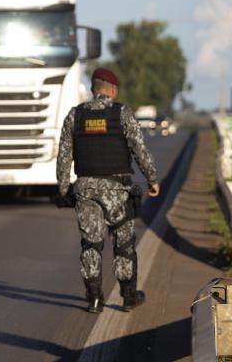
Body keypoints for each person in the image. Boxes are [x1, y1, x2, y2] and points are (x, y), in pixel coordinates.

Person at [55, 67, 160, 314]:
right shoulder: (122, 113)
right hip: (117, 191)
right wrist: (152, 179)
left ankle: (94, 298)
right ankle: (129, 296)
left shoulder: (75, 115)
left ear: (93, 90)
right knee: (123, 243)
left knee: (91, 244)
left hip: (86, 189)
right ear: (112, 90)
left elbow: (63, 156)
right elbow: (139, 149)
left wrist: (63, 188)